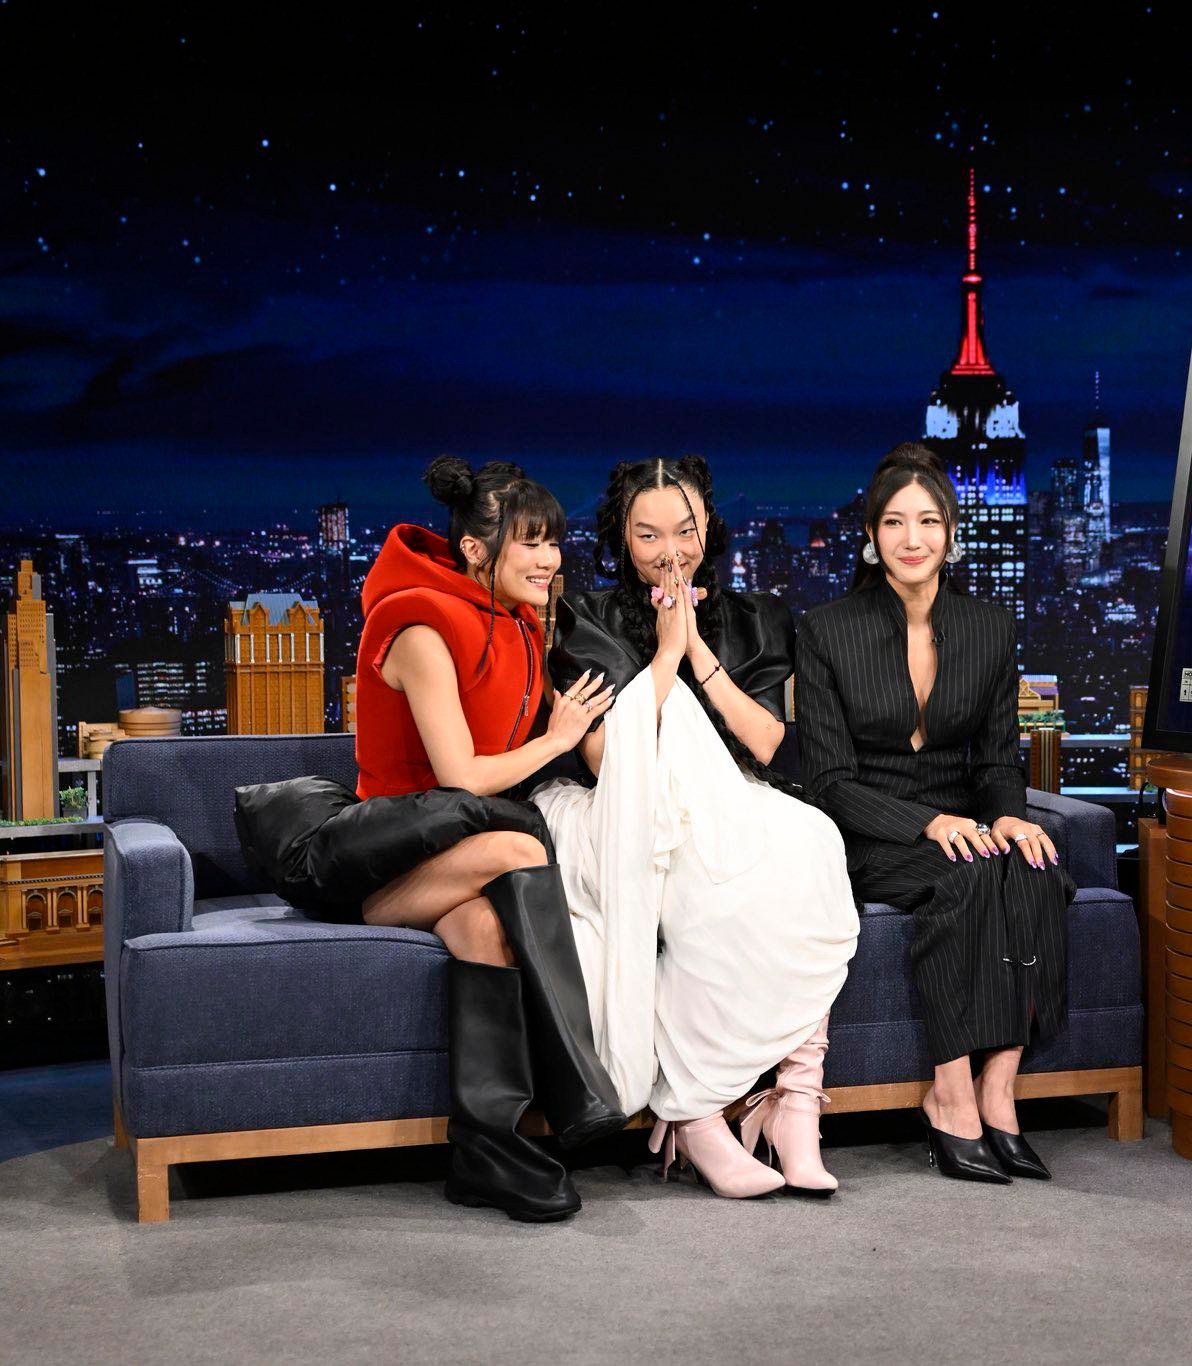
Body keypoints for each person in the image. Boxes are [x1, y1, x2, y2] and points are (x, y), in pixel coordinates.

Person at [232, 457, 627, 1222]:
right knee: (520, 847)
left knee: (481, 925)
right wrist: (556, 739)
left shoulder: (520, 622)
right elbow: (462, 775)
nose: (549, 559)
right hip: (376, 841)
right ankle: (580, 1088)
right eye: (530, 543)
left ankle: (487, 1150)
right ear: (476, 550)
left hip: (446, 849)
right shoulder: (419, 624)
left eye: (554, 542)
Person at [533, 456, 858, 1199]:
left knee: (813, 840)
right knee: (697, 877)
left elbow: (768, 745)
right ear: (621, 538)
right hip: (626, 807)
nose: (669, 552)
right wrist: (665, 654)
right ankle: (696, 1112)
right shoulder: (588, 617)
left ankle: (795, 1102)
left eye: (684, 531)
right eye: (648, 535)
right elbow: (604, 758)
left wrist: (698, 650)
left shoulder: (756, 618)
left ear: (709, 526)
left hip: (732, 799)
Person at [797, 443, 1074, 1184]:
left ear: (951, 531)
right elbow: (829, 781)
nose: (911, 538)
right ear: (871, 535)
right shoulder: (826, 629)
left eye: (927, 521)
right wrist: (927, 824)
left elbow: (996, 762)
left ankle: (998, 1090)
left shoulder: (989, 627)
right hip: (872, 831)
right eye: (894, 522)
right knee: (967, 877)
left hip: (965, 827)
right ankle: (949, 1093)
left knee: (1037, 868)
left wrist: (1007, 817)